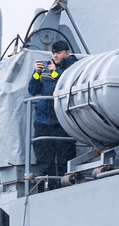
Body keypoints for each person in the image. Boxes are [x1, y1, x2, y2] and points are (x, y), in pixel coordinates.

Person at [27, 40, 78, 187]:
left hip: (63, 121)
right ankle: (47, 188)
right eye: (54, 53)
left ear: (67, 53)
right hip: (43, 122)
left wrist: (55, 72)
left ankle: (65, 187)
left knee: (65, 159)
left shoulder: (73, 66)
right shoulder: (47, 67)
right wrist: (37, 74)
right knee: (45, 159)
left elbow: (69, 83)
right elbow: (33, 90)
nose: (55, 56)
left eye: (59, 53)